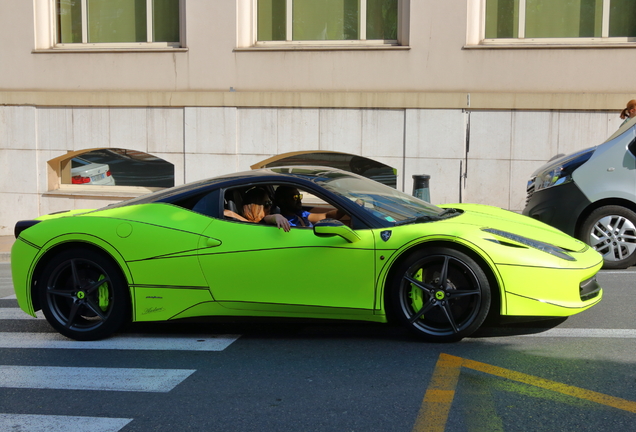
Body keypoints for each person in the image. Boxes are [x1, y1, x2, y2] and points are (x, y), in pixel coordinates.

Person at [274, 185, 343, 227]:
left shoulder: (301, 214)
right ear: (282, 200)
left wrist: (345, 208)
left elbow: (326, 217)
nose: (299, 200)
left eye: (299, 196)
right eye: (295, 197)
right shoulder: (281, 221)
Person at [225, 187, 290, 232]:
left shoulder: (262, 221)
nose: (270, 206)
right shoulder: (261, 222)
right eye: (267, 203)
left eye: (271, 203)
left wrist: (277, 216)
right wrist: (276, 217)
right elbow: (226, 212)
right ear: (255, 207)